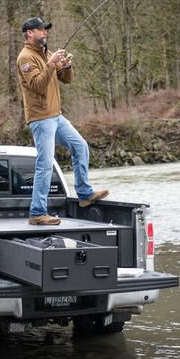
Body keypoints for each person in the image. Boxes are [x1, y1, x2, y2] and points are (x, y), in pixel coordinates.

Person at [17, 16, 109, 225]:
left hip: (56, 116)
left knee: (80, 146)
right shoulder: (25, 58)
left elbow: (66, 80)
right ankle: (37, 212)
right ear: (30, 33)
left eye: (45, 29)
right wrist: (50, 64)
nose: (45, 32)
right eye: (41, 30)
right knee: (45, 163)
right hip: (41, 118)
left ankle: (85, 194)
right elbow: (38, 86)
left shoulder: (46, 53)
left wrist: (66, 66)